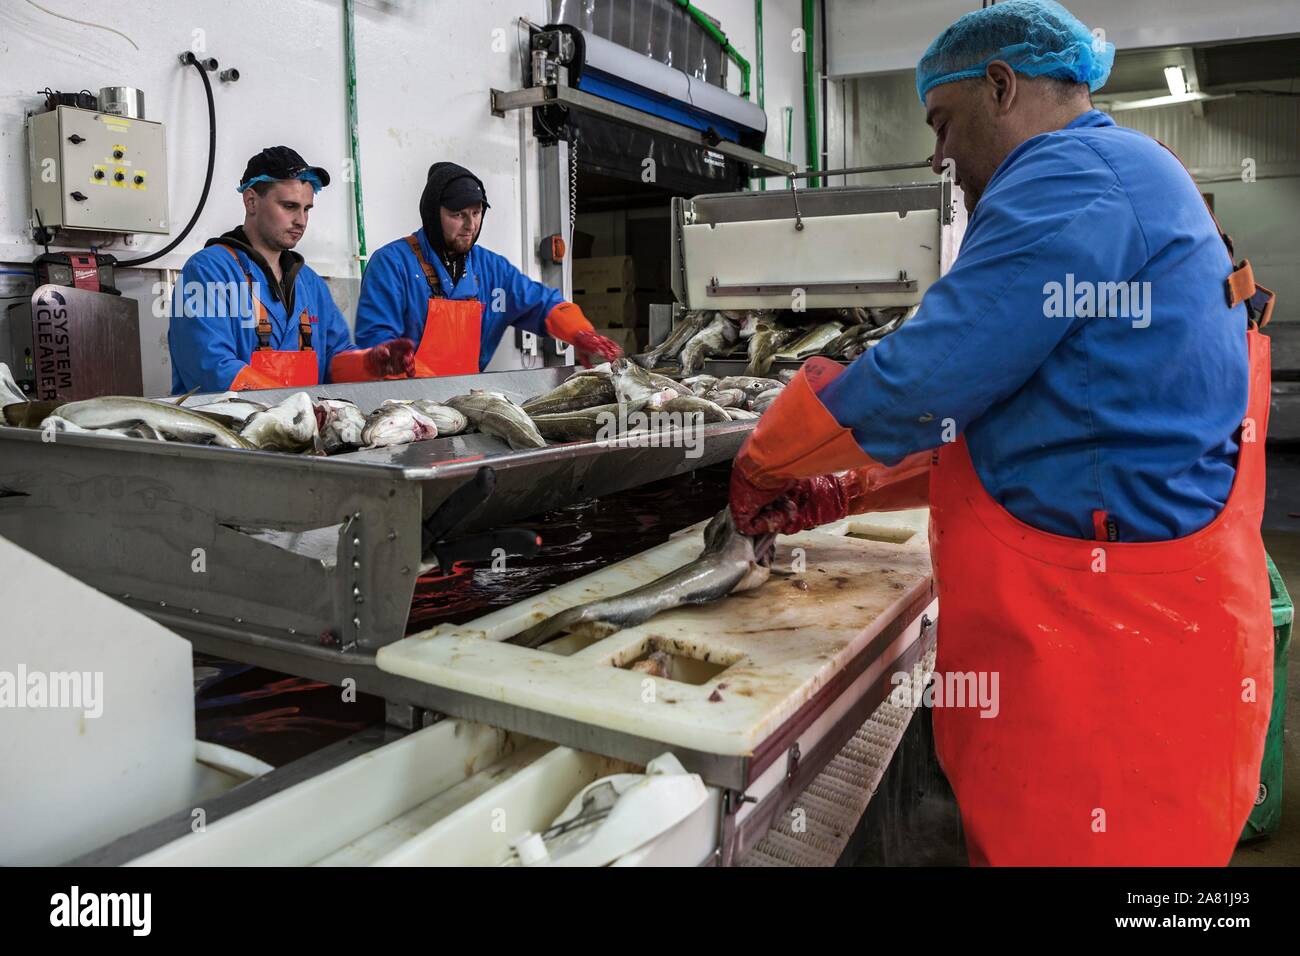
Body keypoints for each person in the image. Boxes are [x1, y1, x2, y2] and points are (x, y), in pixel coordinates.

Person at [729, 0, 1277, 865]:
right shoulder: (1126, 169)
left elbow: (933, 371)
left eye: (943, 125)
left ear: (1000, 85)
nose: (940, 157)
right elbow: (1030, 427)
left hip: (1112, 667)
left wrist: (772, 456)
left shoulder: (1071, 174)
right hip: (1133, 631)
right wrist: (845, 485)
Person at [169, 146, 414, 392]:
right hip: (229, 428)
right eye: (289, 206)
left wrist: (370, 363)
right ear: (251, 201)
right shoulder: (206, 272)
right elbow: (211, 367)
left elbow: (333, 361)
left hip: (302, 426)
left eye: (306, 209)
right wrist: (292, 410)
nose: (301, 220)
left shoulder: (310, 283)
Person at [353, 162, 621, 375]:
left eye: (477, 212)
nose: (470, 225)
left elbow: (544, 303)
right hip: (405, 411)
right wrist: (389, 357)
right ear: (433, 215)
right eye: (458, 214)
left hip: (467, 406)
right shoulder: (391, 264)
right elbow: (375, 342)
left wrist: (579, 332)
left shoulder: (493, 270)